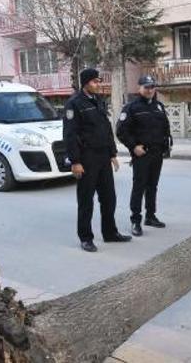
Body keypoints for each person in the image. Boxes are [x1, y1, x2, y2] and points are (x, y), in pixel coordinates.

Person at [63, 68, 131, 252]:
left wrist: (113, 154)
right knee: (86, 200)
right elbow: (70, 135)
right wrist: (75, 161)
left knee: (109, 198)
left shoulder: (98, 101)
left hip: (103, 157)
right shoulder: (74, 104)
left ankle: (110, 233)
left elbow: (106, 129)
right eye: (94, 82)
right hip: (86, 158)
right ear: (85, 83)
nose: (97, 84)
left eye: (98, 81)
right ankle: (86, 238)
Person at [116, 75, 172, 237]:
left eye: (152, 87)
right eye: (146, 87)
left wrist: (166, 146)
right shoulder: (131, 107)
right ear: (140, 88)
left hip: (157, 153)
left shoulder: (158, 106)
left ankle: (150, 216)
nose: (149, 90)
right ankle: (135, 221)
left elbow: (164, 128)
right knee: (139, 187)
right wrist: (133, 147)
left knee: (152, 186)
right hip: (142, 153)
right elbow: (121, 131)